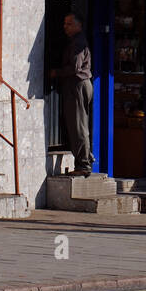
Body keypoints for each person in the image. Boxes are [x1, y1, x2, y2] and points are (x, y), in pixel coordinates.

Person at [50, 13, 93, 175]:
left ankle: (83, 165)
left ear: (78, 26)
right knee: (80, 124)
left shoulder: (77, 43)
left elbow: (74, 68)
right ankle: (86, 158)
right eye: (64, 23)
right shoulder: (77, 41)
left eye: (69, 24)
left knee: (78, 126)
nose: (65, 27)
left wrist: (56, 73)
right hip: (80, 85)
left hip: (77, 85)